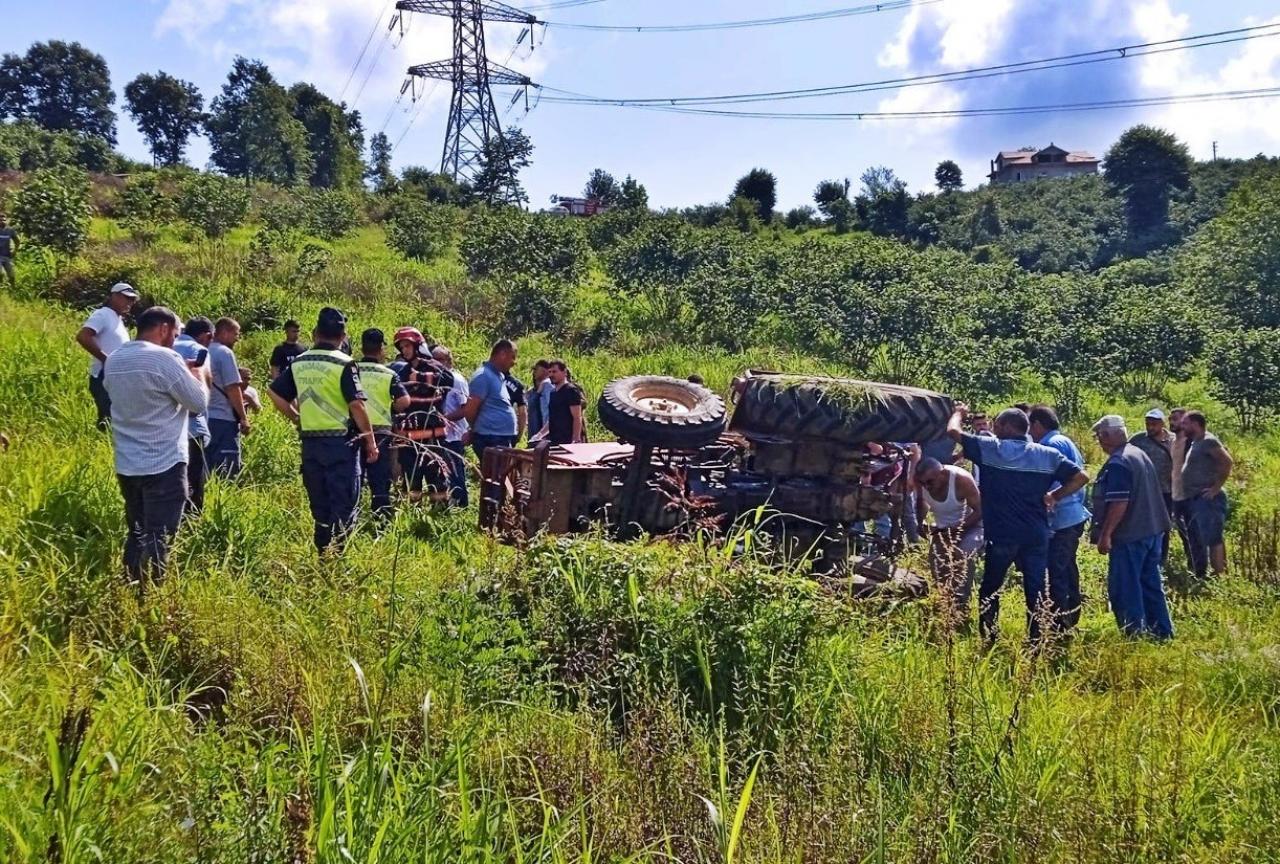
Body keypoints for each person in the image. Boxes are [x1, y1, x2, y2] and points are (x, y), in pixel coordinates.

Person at [945, 404, 1089, 644]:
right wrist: (1054, 496)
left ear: (1006, 426)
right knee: (1036, 589)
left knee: (991, 588)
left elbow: (953, 432)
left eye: (997, 424)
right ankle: (1036, 641)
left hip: (1002, 534)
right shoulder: (1047, 454)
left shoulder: (992, 449)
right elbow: (1081, 477)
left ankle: (990, 637)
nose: (994, 428)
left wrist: (959, 412)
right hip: (1036, 535)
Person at [102, 306, 208, 588]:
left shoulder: (114, 359)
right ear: (163, 328)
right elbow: (198, 403)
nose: (175, 339)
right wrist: (194, 372)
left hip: (128, 464)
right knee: (160, 535)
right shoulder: (165, 359)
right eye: (175, 333)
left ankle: (130, 586)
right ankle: (151, 595)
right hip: (164, 463)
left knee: (137, 531)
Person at [267, 307, 378, 554]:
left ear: (315, 333)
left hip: (311, 444)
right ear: (343, 336)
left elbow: (274, 392)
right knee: (344, 502)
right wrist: (370, 441)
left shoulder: (300, 362)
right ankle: (339, 555)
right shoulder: (344, 363)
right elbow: (357, 405)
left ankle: (322, 553)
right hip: (342, 445)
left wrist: (296, 418)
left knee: (320, 504)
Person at [1091, 415, 1175, 639]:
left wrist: (1106, 535)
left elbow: (1120, 502)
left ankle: (1134, 636)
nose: (1099, 441)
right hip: (1152, 531)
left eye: (1099, 436)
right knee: (1150, 584)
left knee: (1125, 587)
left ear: (1107, 436)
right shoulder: (1137, 453)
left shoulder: (1118, 463)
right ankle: (1162, 633)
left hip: (1130, 535)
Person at [1027, 406, 1090, 633]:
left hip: (1061, 519)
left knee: (1057, 572)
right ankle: (1070, 618)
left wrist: (1052, 497)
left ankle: (1060, 626)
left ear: (1037, 424)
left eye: (1030, 427)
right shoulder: (1064, 441)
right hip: (1072, 516)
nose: (1029, 433)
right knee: (1067, 569)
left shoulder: (1050, 446)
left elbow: (1058, 483)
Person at [914, 457, 983, 624]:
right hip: (944, 530)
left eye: (930, 482)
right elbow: (922, 504)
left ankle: (961, 607)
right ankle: (945, 605)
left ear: (942, 474)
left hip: (972, 526)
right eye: (923, 483)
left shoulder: (961, 480)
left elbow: (980, 510)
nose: (927, 487)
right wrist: (921, 523)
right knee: (937, 564)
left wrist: (958, 529)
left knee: (962, 554)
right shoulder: (921, 483)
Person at [393, 327, 454, 503]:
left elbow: (448, 380)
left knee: (438, 485)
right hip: (409, 442)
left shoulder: (434, 367)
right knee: (411, 486)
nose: (404, 350)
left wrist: (418, 377)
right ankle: (412, 516)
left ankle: (439, 514)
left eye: (407, 346)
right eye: (402, 347)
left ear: (418, 346)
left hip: (433, 440)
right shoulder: (402, 372)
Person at [356, 329, 411, 521]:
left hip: (355, 430)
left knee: (354, 475)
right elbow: (404, 401)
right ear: (381, 349)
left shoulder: (351, 370)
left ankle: (352, 518)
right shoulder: (388, 374)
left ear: (362, 347)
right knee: (379, 478)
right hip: (380, 433)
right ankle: (381, 519)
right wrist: (390, 408)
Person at [76, 282, 139, 430]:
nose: (129, 303)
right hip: (104, 374)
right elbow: (83, 336)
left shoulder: (117, 319)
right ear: (114, 296)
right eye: (126, 298)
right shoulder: (103, 314)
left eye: (132, 300)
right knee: (108, 418)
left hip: (116, 375)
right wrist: (106, 359)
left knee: (114, 418)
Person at [1180, 410, 1233, 580]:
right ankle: (1216, 574)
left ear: (1195, 424)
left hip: (1209, 499)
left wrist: (1215, 489)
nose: (1182, 426)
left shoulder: (1208, 441)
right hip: (1197, 498)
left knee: (1213, 538)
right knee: (1208, 537)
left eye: (1185, 423)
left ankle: (1219, 576)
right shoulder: (1197, 441)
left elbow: (1227, 462)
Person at [449, 339, 519, 460]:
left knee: (500, 472)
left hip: (499, 438)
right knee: (494, 471)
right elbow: (470, 410)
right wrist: (474, 431)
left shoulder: (497, 376)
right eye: (512, 357)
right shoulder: (483, 376)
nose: (514, 362)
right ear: (502, 354)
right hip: (491, 439)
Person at [173, 317, 214, 514]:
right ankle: (193, 520)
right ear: (207, 336)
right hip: (192, 427)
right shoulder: (197, 350)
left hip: (165, 427)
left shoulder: (166, 346)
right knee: (194, 477)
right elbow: (205, 382)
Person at [1129, 408, 1177, 562]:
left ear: (1162, 424)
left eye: (1154, 424)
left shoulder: (1173, 440)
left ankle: (1161, 558)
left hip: (1166, 490)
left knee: (1164, 525)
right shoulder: (1138, 440)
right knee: (1143, 523)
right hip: (1143, 491)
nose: (1150, 427)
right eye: (1148, 424)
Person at [206, 317, 251, 478]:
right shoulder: (224, 353)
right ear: (224, 332)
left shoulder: (203, 350)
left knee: (206, 467)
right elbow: (232, 388)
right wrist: (243, 418)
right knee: (227, 471)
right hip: (223, 419)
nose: (237, 338)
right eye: (236, 334)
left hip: (203, 418)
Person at [434, 346, 471, 507]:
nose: (436, 363)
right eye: (433, 359)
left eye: (440, 360)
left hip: (454, 435)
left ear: (449, 361)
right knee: (442, 473)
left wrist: (444, 419)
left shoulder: (457, 380)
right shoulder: (434, 380)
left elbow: (465, 409)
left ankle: (461, 504)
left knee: (456, 472)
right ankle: (445, 504)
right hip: (439, 434)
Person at [543, 360, 585, 445]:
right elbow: (552, 418)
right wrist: (540, 434)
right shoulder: (553, 393)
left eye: (554, 372)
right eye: (549, 372)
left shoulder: (571, 391)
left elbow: (577, 417)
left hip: (568, 440)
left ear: (564, 372)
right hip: (555, 439)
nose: (551, 375)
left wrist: (576, 439)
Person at [525, 359, 553, 446]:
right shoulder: (532, 391)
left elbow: (550, 410)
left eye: (536, 369)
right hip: (534, 429)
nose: (534, 372)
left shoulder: (548, 386)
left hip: (543, 432)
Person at [505, 370, 528, 443]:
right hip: (506, 430)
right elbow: (522, 412)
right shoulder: (516, 384)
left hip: (485, 429)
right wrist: (519, 435)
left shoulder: (486, 379)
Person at [0, 214, 18, 288]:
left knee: (11, 275)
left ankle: (13, 289)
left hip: (7, 255)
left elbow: (17, 241)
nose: (2, 221)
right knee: (0, 273)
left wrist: (14, 251)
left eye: (4, 220)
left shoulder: (10, 230)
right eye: (0, 220)